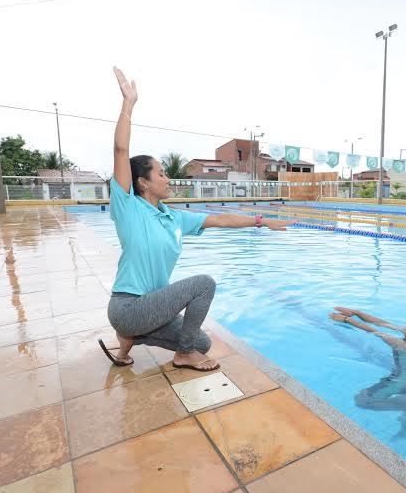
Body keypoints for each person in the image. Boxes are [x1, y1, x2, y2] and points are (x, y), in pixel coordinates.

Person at [99, 67, 291, 371]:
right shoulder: (128, 207)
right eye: (161, 173)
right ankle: (176, 352)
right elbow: (121, 150)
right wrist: (128, 105)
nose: (168, 178)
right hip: (127, 306)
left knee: (202, 343)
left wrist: (261, 221)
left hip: (151, 308)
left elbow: (221, 220)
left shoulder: (172, 217)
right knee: (204, 284)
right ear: (143, 183)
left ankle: (132, 340)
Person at [329, 307, 406, 439]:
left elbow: (375, 331)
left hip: (404, 377)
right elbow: (382, 323)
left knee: (362, 400)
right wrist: (357, 313)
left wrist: (346, 320)